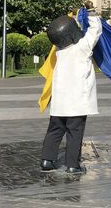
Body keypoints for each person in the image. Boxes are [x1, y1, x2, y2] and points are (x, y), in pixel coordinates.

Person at [40, 12, 102, 174]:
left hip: (60, 102)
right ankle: (72, 165)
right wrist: (93, 16)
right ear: (73, 34)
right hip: (77, 102)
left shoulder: (59, 53)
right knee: (75, 132)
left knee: (55, 129)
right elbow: (95, 32)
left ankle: (47, 160)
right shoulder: (82, 48)